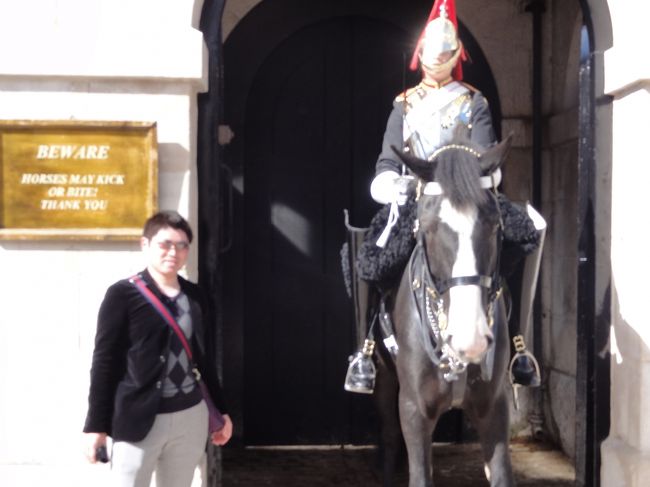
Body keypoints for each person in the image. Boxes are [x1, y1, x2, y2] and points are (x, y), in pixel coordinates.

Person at [343, 0, 544, 395]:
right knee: (368, 248)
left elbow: (487, 157)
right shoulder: (404, 105)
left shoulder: (473, 102)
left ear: (456, 55)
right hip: (418, 199)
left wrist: (479, 176)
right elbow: (387, 163)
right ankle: (364, 349)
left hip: (468, 195)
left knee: (526, 233)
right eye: (431, 54)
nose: (437, 60)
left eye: (444, 54)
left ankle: (520, 346)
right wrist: (392, 184)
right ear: (420, 53)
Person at [83, 210, 233, 487]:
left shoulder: (196, 295)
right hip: (137, 419)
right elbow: (104, 362)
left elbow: (205, 358)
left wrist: (221, 411)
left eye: (182, 245)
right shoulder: (122, 295)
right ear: (146, 245)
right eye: (165, 244)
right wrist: (96, 426)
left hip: (190, 416)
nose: (173, 252)